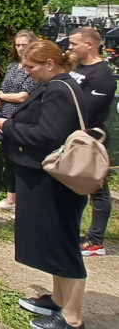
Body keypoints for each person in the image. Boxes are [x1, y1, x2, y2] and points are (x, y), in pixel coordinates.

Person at [0, 40, 88, 329]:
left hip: (54, 181)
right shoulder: (55, 85)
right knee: (52, 242)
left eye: (31, 67)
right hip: (43, 177)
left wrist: (8, 126)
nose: (27, 72)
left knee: (63, 245)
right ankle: (58, 299)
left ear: (50, 64)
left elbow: (48, 135)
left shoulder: (59, 89)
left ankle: (71, 317)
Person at [67, 27, 117, 257]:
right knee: (71, 186)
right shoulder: (77, 67)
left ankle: (96, 240)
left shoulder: (102, 76)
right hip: (71, 136)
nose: (70, 47)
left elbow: (85, 109)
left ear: (89, 45)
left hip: (91, 139)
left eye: (74, 43)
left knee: (97, 188)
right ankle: (71, 231)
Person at [0, 30, 38, 213]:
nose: (20, 48)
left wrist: (1, 96)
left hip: (22, 118)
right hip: (4, 117)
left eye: (24, 45)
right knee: (9, 159)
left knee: (21, 160)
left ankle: (24, 203)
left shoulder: (33, 68)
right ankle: (10, 200)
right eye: (17, 45)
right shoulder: (12, 67)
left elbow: (23, 96)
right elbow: (0, 92)